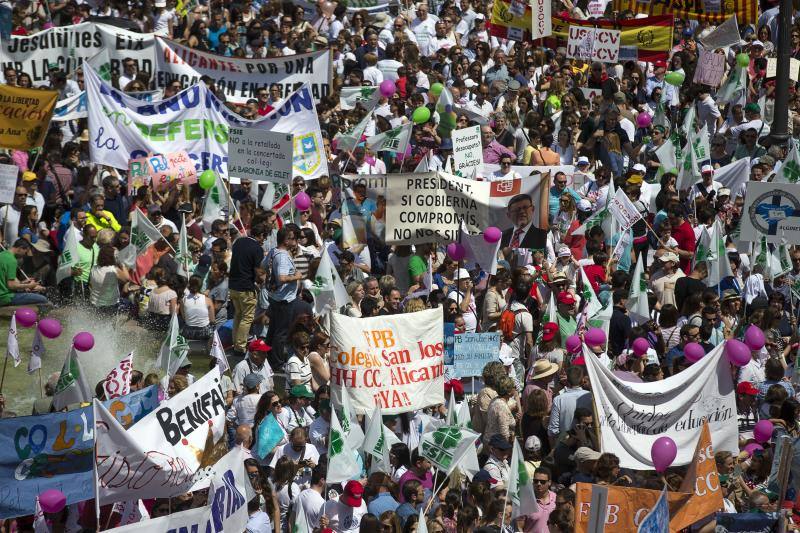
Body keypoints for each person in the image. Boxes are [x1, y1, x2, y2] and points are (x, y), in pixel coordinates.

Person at [264, 226, 303, 368]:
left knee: (273, 329)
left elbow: (263, 266)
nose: (296, 241)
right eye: (293, 238)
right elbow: (281, 277)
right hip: (284, 300)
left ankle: (267, 355)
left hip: (275, 297)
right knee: (281, 332)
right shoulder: (282, 256)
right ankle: (277, 362)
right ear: (286, 240)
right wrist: (296, 276)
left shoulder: (274, 252)